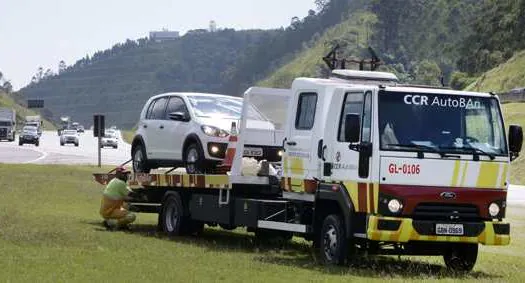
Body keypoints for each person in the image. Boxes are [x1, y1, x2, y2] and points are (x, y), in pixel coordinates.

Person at [99, 166, 136, 230]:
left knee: (126, 207)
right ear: (118, 174)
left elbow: (125, 196)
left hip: (107, 210)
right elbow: (131, 195)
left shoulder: (114, 181)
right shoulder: (120, 183)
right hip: (110, 211)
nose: (126, 175)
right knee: (132, 216)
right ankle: (114, 224)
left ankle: (111, 222)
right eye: (123, 174)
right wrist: (142, 196)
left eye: (126, 174)